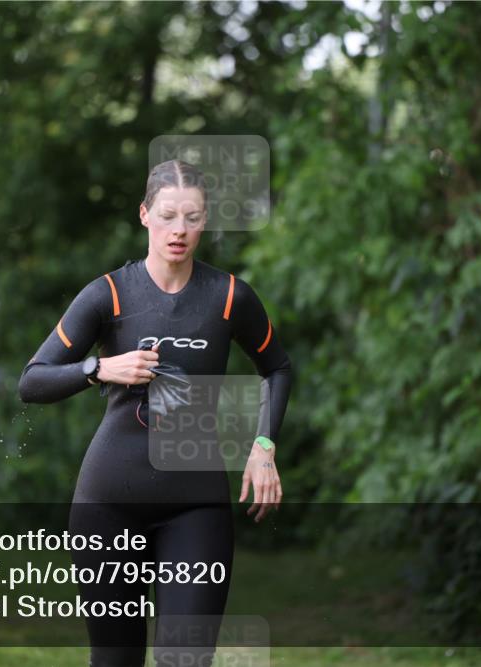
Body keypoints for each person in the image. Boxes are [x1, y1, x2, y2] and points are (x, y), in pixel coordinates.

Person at [18, 159, 292, 666]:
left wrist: (263, 446)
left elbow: (277, 369)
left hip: (196, 506)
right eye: (168, 216)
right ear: (145, 215)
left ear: (205, 221)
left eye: (192, 218)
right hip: (108, 505)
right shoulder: (110, 294)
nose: (179, 230)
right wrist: (100, 368)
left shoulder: (229, 297)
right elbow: (32, 381)